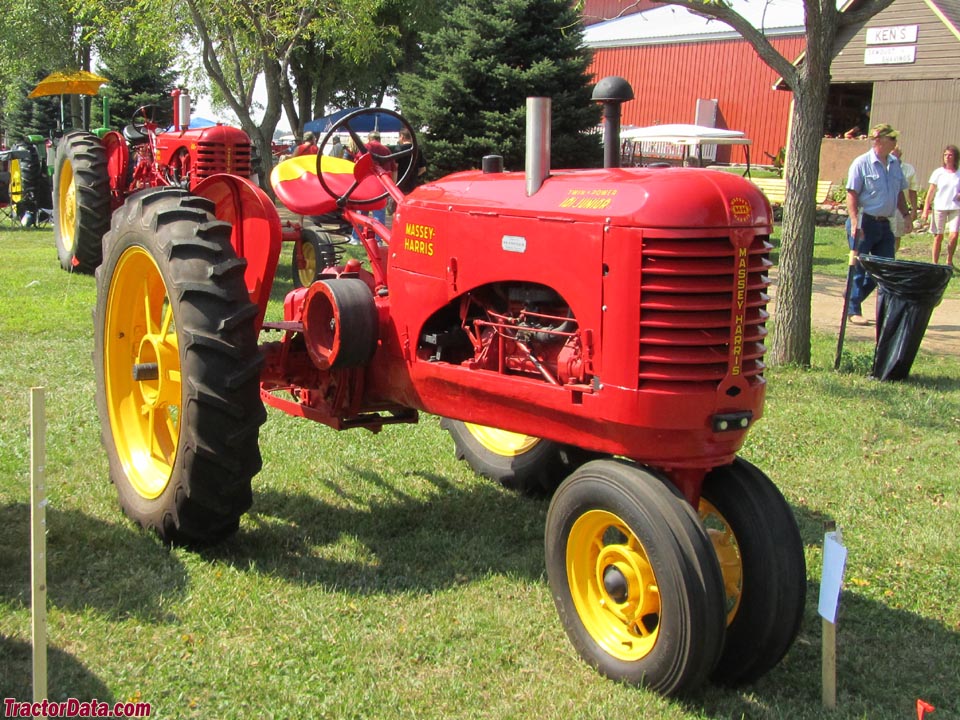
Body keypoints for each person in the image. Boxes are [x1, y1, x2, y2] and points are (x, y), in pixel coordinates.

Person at [844, 123, 911, 326]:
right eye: (892, 139)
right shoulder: (861, 163)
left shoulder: (894, 163)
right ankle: (853, 309)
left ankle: (853, 300)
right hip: (865, 222)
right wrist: (855, 222)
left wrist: (906, 215)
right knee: (859, 267)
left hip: (884, 224)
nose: (895, 143)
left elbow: (899, 192)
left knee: (885, 269)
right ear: (879, 140)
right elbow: (852, 193)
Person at [350, 132, 398, 245]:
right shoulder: (386, 150)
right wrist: (392, 186)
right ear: (379, 139)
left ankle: (356, 238)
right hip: (382, 184)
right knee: (379, 213)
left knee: (362, 211)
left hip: (367, 184)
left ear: (369, 138)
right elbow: (394, 169)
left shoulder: (365, 147)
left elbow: (356, 165)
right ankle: (378, 239)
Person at [920, 144, 960, 267]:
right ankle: (935, 263)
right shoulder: (938, 173)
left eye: (950, 155)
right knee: (938, 236)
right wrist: (926, 209)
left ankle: (949, 261)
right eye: (945, 155)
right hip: (940, 207)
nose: (947, 157)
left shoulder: (958, 173)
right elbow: (931, 192)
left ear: (955, 157)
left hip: (955, 207)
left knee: (954, 235)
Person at [891, 145, 918, 253]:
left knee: (897, 235)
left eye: (894, 153)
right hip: (884, 206)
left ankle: (891, 258)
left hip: (900, 208)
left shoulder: (908, 169)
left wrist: (914, 209)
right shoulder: (883, 166)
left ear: (900, 154)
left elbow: (912, 190)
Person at [395, 128, 426, 194]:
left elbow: (395, 167)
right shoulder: (418, 149)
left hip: (400, 183)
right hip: (413, 184)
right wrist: (413, 175)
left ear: (402, 136)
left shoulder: (399, 149)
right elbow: (423, 169)